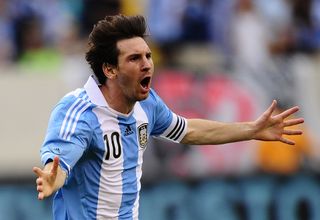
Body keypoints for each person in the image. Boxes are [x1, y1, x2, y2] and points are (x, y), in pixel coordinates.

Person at [32, 14, 304, 220]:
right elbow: (58, 163)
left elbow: (189, 131)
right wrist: (54, 178)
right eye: (135, 58)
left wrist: (251, 129)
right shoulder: (79, 111)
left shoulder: (146, 104)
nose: (147, 64)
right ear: (110, 69)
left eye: (148, 56)